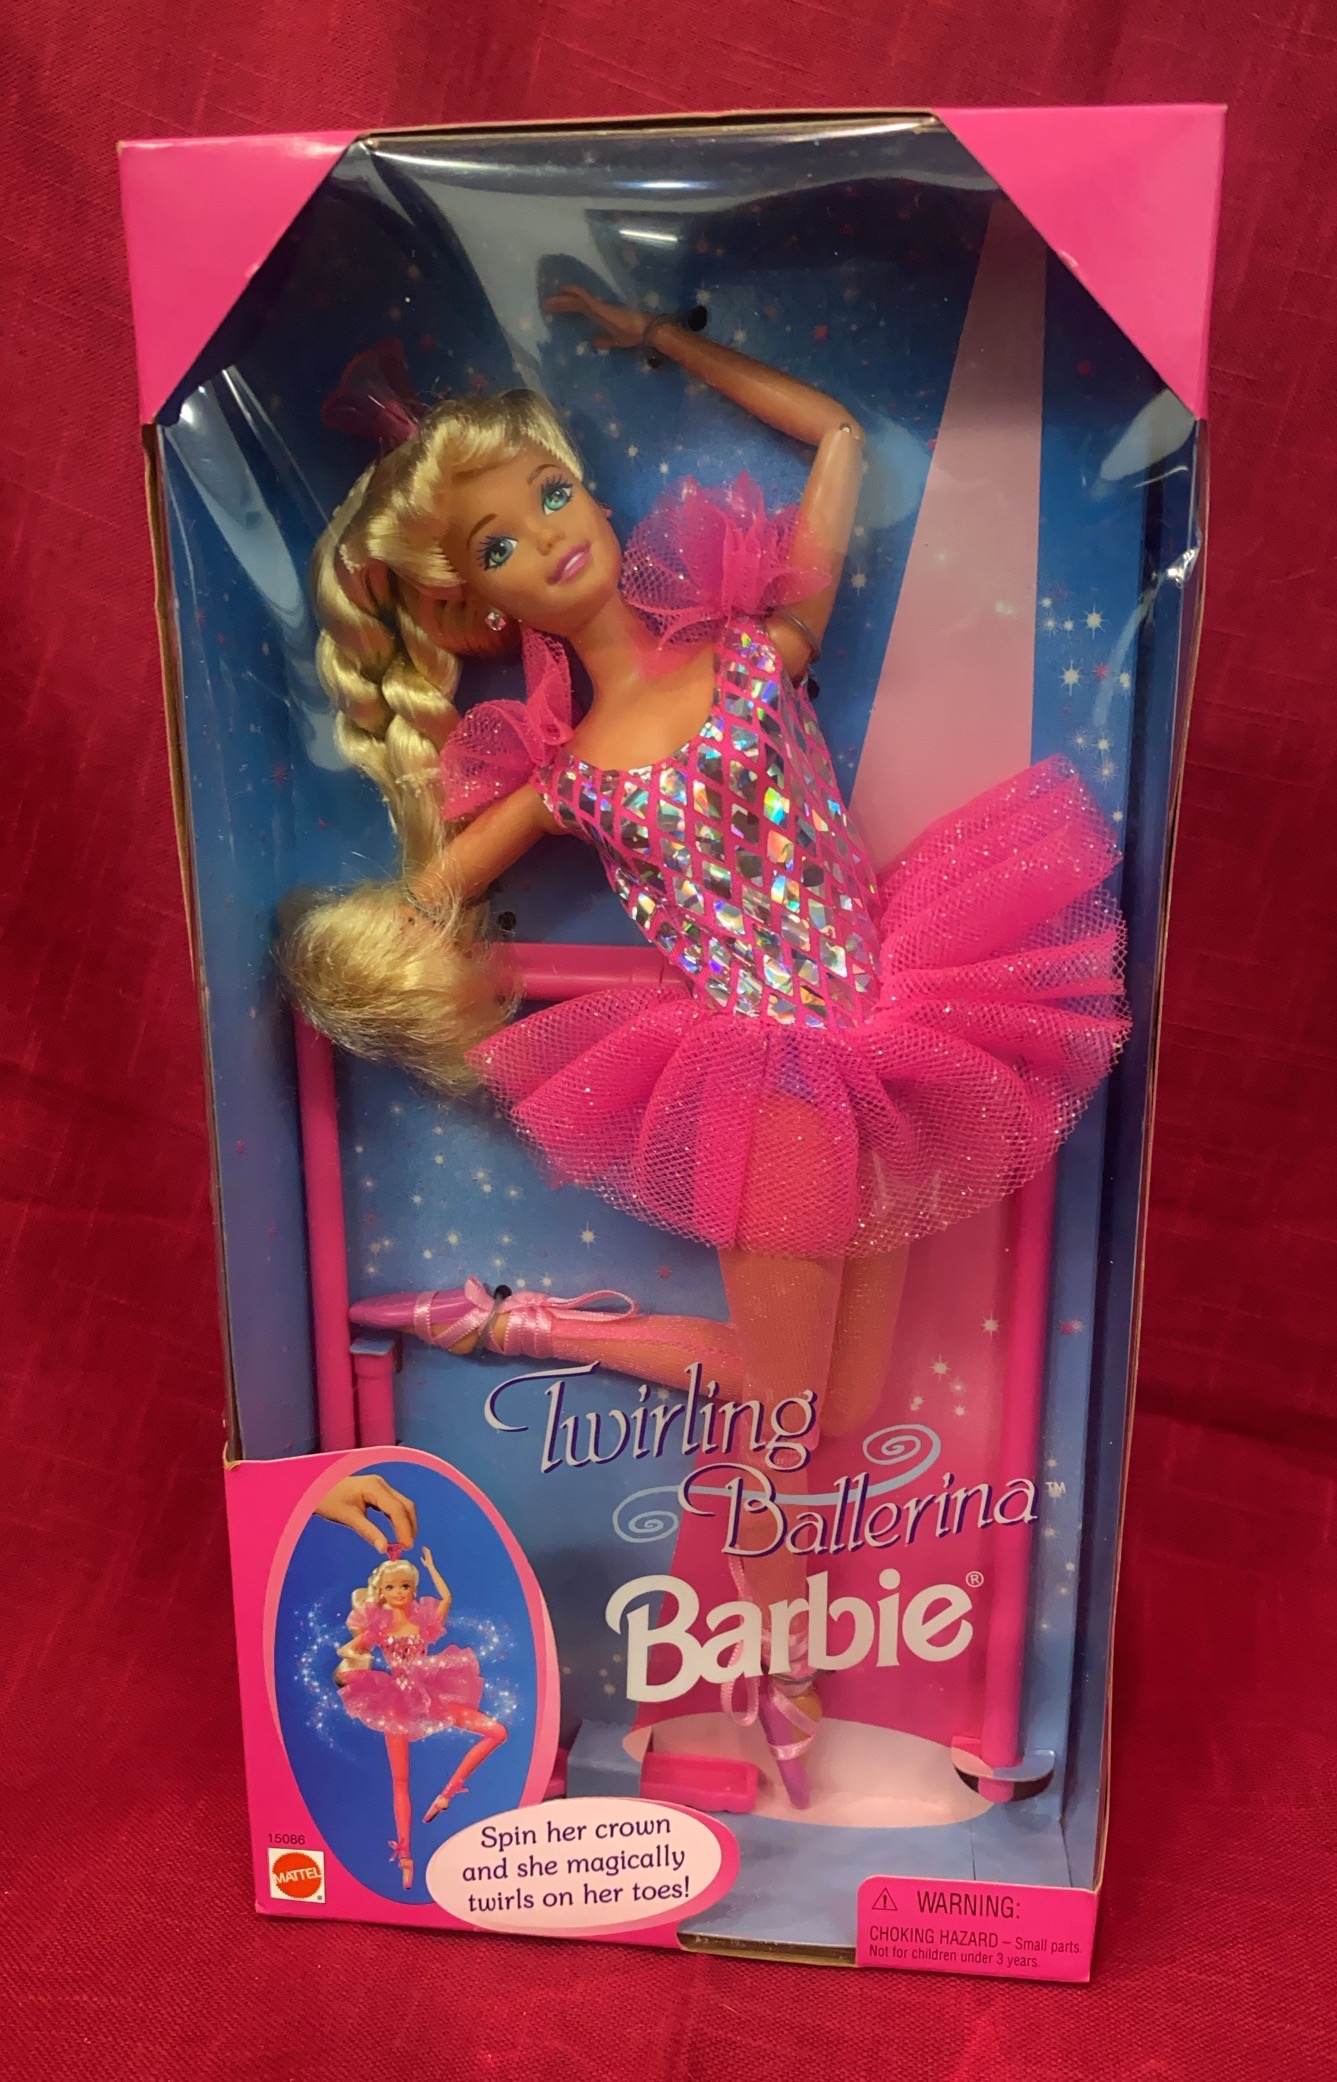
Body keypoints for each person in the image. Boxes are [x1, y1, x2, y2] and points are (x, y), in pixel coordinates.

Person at [282, 287, 1129, 1804]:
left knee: (836, 1408)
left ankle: (517, 1322)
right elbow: (427, 890)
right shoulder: (568, 780)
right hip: (766, 1078)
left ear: (591, 493)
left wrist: (658, 339)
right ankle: (776, 1675)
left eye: (550, 493)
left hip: (897, 1027)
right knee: (787, 1417)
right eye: (497, 545)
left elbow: (840, 435)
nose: (547, 536)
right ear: (485, 609)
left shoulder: (756, 649)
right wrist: (372, 962)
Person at [336, 1545, 507, 1889]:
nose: (399, 1592)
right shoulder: (379, 1628)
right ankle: (405, 1855)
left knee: (497, 1732)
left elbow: (447, 1599)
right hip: (395, 1701)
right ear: (382, 1593)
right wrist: (357, 1658)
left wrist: (431, 1567)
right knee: (400, 1780)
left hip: (430, 1694)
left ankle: (447, 1794)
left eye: (405, 1586)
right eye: (391, 1587)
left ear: (413, 1589)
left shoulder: (423, 1622)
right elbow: (352, 1648)